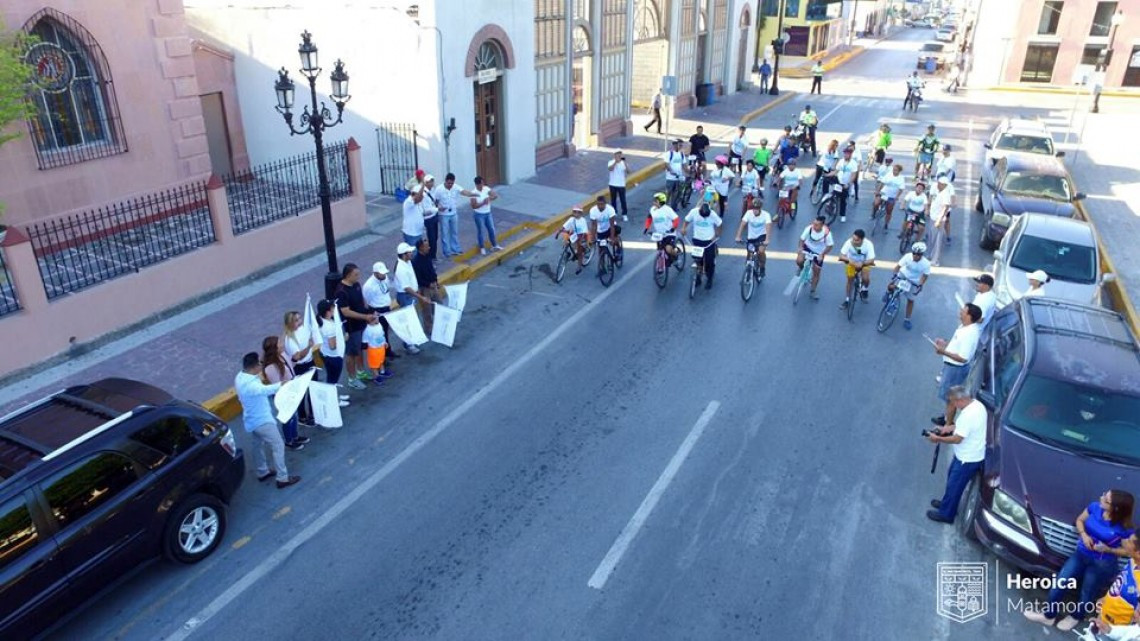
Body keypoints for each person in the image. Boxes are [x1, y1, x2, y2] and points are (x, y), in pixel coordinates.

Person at [1025, 491, 1137, 631]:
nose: (1101, 498)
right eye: (1104, 494)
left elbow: (1127, 551)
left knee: (1087, 593)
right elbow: (1079, 520)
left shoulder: (1124, 529)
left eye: (1106, 499)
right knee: (1060, 582)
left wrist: (1108, 549)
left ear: (1115, 508)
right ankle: (1048, 616)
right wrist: (1084, 535)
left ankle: (1076, 617)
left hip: (1101, 564)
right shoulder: (1094, 507)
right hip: (1081, 554)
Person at [235, 352, 300, 489]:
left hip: (251, 420)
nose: (261, 365)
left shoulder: (240, 377)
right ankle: (282, 478)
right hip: (263, 421)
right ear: (254, 367)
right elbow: (264, 390)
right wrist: (282, 384)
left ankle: (262, 471)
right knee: (278, 445)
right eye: (259, 363)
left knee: (257, 446)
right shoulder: (250, 385)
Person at [924, 385, 984, 523]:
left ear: (960, 400)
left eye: (953, 402)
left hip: (967, 459)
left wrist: (938, 438)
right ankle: (947, 505)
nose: (953, 406)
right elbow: (963, 427)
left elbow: (957, 439)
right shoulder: (976, 405)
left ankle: (946, 515)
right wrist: (947, 428)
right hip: (965, 455)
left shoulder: (968, 415)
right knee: (952, 482)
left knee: (954, 485)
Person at [931, 303, 983, 425]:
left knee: (951, 399)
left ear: (969, 316)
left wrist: (943, 351)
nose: (960, 312)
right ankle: (946, 418)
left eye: (963, 311)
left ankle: (947, 424)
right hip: (951, 367)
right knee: (949, 397)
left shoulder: (970, 334)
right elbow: (958, 344)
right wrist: (945, 344)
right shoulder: (964, 326)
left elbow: (963, 358)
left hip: (955, 370)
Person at [260, 336, 310, 451]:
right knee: (288, 417)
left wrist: (295, 360)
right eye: (279, 343)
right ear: (274, 348)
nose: (282, 344)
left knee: (294, 415)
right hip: (284, 394)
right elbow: (278, 385)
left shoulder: (282, 355)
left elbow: (290, 366)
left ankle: (295, 436)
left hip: (291, 389)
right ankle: (289, 440)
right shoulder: (270, 367)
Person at [334, 264, 375, 390]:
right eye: (355, 275)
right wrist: (365, 317)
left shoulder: (356, 285)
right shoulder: (341, 292)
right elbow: (346, 312)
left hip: (361, 323)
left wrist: (368, 312)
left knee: (359, 349)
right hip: (351, 327)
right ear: (348, 275)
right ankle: (352, 379)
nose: (358, 277)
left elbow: (361, 300)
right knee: (351, 353)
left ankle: (361, 371)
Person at [884, 241, 932, 330]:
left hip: (914, 281)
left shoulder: (926, 264)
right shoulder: (907, 256)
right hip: (903, 274)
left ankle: (907, 319)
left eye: (918, 254)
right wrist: (895, 275)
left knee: (911, 300)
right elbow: (898, 266)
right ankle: (887, 293)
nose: (915, 256)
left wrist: (920, 284)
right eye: (914, 253)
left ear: (922, 255)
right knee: (891, 286)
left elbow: (925, 275)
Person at [281, 310, 317, 427]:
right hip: (301, 367)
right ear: (290, 323)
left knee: (312, 390)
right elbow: (297, 356)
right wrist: (309, 346)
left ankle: (312, 414)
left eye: (300, 318)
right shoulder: (290, 339)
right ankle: (303, 417)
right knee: (302, 393)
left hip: (310, 362)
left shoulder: (301, 330)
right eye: (296, 320)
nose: (300, 322)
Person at [363, 261, 403, 363]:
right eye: (382, 273)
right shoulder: (368, 286)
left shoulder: (384, 278)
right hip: (377, 310)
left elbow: (387, 289)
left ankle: (388, 351)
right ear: (375, 273)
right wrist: (373, 312)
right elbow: (368, 300)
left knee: (385, 331)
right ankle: (381, 357)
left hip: (386, 308)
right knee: (380, 333)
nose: (384, 275)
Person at [393, 242, 430, 353]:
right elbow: (407, 288)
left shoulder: (407, 262)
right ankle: (409, 345)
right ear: (404, 254)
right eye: (409, 252)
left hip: (410, 296)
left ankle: (412, 341)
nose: (412, 253)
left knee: (412, 319)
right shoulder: (401, 269)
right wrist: (421, 297)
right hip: (406, 296)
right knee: (408, 320)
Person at [432, 173, 477, 258]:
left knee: (454, 232)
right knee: (445, 233)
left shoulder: (456, 187)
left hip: (453, 213)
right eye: (449, 183)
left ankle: (455, 249)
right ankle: (447, 252)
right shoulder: (439, 189)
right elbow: (435, 201)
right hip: (443, 215)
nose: (450, 185)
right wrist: (439, 207)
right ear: (445, 181)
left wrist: (475, 194)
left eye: (452, 183)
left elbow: (464, 192)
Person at [681, 203, 722, 289]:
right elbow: (686, 220)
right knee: (697, 259)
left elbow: (719, 224)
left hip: (709, 241)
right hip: (697, 240)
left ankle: (709, 278)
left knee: (709, 262)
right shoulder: (694, 212)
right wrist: (684, 228)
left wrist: (716, 235)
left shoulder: (713, 214)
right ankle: (698, 277)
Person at [316, 299, 349, 403]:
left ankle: (335, 396)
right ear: (327, 312)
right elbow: (333, 346)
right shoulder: (329, 327)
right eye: (332, 308)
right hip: (333, 356)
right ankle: (334, 401)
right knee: (333, 379)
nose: (334, 309)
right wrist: (344, 338)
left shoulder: (322, 320)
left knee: (331, 378)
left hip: (325, 353)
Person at [797, 215, 835, 300]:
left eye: (816, 225)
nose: (814, 226)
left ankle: (812, 291)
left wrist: (822, 254)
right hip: (807, 247)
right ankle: (801, 267)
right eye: (814, 223)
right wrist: (800, 248)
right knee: (799, 261)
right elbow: (802, 239)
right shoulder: (809, 228)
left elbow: (830, 246)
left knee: (816, 271)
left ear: (822, 225)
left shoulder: (827, 234)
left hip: (819, 252)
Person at [412, 237, 444, 335]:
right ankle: (428, 329)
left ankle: (440, 324)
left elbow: (432, 270)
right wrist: (428, 284)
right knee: (427, 310)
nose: (429, 247)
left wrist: (436, 281)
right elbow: (418, 278)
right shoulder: (416, 262)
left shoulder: (427, 256)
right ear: (421, 248)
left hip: (433, 286)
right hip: (425, 289)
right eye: (426, 246)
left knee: (439, 305)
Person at [838, 229, 876, 309]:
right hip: (852, 263)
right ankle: (847, 299)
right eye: (853, 239)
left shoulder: (868, 244)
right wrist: (849, 260)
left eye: (857, 240)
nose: (854, 242)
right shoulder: (849, 242)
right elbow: (841, 255)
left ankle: (865, 288)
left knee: (865, 278)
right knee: (850, 280)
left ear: (862, 240)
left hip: (864, 263)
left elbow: (871, 259)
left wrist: (862, 263)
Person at [735, 204, 773, 279]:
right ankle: (748, 270)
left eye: (757, 209)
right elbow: (742, 224)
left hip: (761, 236)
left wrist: (767, 240)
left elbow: (768, 227)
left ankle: (762, 267)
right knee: (749, 254)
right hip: (751, 237)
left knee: (761, 251)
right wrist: (738, 236)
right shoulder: (748, 213)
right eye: (754, 209)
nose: (755, 211)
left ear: (760, 209)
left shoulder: (766, 215)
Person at [644, 192, 681, 263]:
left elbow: (676, 219)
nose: (653, 202)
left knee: (668, 249)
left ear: (660, 201)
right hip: (659, 234)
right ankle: (663, 264)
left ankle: (676, 255)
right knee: (660, 250)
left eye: (655, 200)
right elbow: (649, 218)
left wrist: (673, 228)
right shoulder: (652, 209)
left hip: (669, 234)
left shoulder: (668, 209)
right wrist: (646, 228)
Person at [470, 176, 502, 255]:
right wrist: (483, 203)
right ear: (477, 184)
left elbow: (495, 195)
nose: (482, 185)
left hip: (488, 213)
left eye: (483, 183)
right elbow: (473, 206)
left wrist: (490, 198)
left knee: (491, 229)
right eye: (481, 184)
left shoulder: (486, 189)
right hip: (479, 214)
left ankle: (494, 245)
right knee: (481, 231)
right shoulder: (473, 193)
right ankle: (482, 247)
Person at [589, 195, 622, 260]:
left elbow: (612, 225)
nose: (600, 206)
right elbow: (594, 225)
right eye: (598, 204)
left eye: (602, 204)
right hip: (600, 230)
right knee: (600, 248)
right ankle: (601, 263)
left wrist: (612, 238)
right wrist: (593, 237)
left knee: (614, 240)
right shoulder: (593, 211)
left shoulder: (610, 210)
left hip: (610, 228)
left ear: (605, 204)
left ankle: (618, 248)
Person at [560, 207, 591, 274]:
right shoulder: (572, 219)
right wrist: (560, 231)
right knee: (565, 237)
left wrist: (580, 239)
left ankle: (579, 266)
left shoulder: (583, 220)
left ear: (581, 213)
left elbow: (584, 231)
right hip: (574, 234)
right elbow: (565, 226)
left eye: (578, 212)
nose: (576, 214)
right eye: (575, 212)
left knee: (579, 250)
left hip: (582, 235)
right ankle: (567, 252)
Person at [833, 146, 860, 223]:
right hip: (839, 181)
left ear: (850, 155)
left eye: (847, 154)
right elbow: (836, 171)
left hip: (845, 183)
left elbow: (853, 175)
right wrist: (827, 175)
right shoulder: (841, 161)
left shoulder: (853, 163)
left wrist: (849, 184)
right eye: (845, 154)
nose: (845, 155)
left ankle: (842, 215)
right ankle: (832, 206)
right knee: (834, 194)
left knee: (843, 200)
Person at [876, 163, 906, 231]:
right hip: (884, 193)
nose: (894, 171)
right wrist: (878, 191)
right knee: (876, 203)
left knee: (889, 210)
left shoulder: (901, 178)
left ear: (899, 171)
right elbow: (882, 183)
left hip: (892, 196)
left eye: (896, 170)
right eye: (893, 170)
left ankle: (886, 223)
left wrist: (897, 197)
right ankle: (873, 213)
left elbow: (901, 189)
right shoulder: (889, 174)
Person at [419, 174, 440, 260]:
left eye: (432, 181)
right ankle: (432, 256)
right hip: (428, 219)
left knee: (435, 237)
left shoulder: (433, 190)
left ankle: (433, 254)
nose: (432, 183)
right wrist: (437, 209)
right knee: (431, 238)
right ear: (426, 183)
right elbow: (427, 209)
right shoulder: (424, 194)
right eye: (430, 182)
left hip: (434, 216)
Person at [607, 150, 629, 221]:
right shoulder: (611, 162)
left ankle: (624, 214)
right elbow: (610, 169)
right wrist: (615, 162)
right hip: (612, 184)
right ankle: (614, 213)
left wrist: (625, 163)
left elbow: (628, 172)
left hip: (621, 185)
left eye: (620, 154)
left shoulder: (623, 163)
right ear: (614, 155)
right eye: (617, 154)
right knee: (613, 200)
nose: (619, 155)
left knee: (623, 200)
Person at [664, 139, 686, 207]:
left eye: (681, 145)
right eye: (679, 145)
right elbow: (666, 164)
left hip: (679, 177)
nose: (681, 147)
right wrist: (671, 171)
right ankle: (664, 206)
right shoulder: (669, 154)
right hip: (670, 178)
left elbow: (684, 165)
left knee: (677, 194)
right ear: (674, 145)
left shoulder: (681, 154)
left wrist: (690, 171)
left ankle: (673, 207)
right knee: (668, 193)